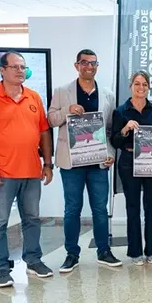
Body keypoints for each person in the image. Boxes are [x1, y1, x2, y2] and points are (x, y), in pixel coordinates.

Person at [0, 51, 54, 287]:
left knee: (32, 219)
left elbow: (44, 132)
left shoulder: (33, 97)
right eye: (16, 67)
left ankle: (34, 261)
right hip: (2, 174)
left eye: (23, 67)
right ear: (3, 70)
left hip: (31, 172)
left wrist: (47, 164)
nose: (21, 71)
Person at [48, 49, 121, 272]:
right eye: (84, 63)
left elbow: (110, 129)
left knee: (100, 208)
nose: (89, 66)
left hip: (98, 162)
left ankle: (103, 251)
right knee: (72, 209)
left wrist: (110, 153)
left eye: (93, 63)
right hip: (72, 163)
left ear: (97, 66)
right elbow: (51, 119)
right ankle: (71, 254)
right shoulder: (62, 92)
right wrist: (67, 111)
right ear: (76, 65)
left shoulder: (107, 94)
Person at [110, 71, 152, 266]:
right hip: (128, 161)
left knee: (151, 207)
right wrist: (125, 128)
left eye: (144, 84)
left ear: (148, 87)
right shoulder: (120, 111)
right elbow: (115, 141)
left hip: (151, 162)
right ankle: (135, 252)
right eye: (137, 84)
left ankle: (151, 250)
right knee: (133, 207)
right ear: (130, 86)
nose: (140, 87)